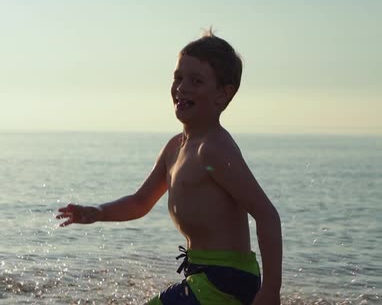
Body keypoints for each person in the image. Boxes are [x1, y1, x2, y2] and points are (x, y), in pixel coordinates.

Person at [56, 29, 282, 305]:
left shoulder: (213, 149)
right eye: (178, 78)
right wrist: (97, 212)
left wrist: (270, 291)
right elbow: (140, 202)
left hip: (226, 280)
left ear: (222, 95)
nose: (182, 88)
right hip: (202, 275)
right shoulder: (176, 147)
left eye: (196, 81)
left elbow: (267, 214)